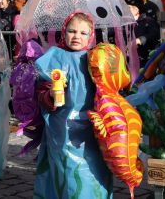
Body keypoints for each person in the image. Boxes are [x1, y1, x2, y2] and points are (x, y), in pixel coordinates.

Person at [34, 12, 113, 198]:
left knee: (94, 173)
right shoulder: (53, 58)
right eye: (72, 31)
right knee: (68, 174)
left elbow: (110, 90)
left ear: (91, 35)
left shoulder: (96, 58)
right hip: (62, 130)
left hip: (94, 129)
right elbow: (40, 94)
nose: (77, 36)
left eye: (83, 33)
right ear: (64, 32)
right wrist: (51, 95)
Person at [125, 0, 160, 67]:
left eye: (130, 7)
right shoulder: (125, 23)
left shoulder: (147, 21)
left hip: (145, 58)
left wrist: (140, 40)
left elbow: (154, 34)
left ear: (137, 12)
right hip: (129, 59)